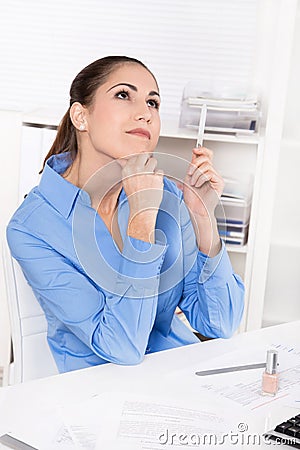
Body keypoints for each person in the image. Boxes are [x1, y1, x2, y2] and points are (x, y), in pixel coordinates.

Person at [7, 56, 244, 373]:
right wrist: (141, 221)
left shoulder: (168, 197)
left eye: (153, 102)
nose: (145, 113)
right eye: (123, 95)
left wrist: (203, 217)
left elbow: (221, 322)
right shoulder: (32, 228)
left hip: (180, 378)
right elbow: (122, 348)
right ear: (81, 116)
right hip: (97, 395)